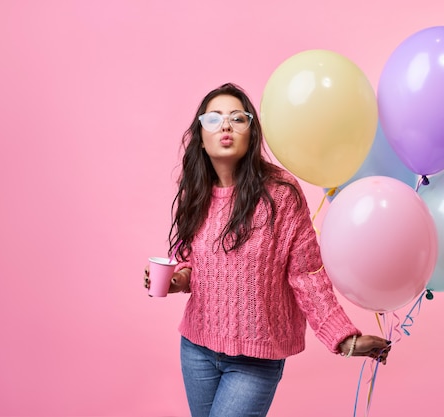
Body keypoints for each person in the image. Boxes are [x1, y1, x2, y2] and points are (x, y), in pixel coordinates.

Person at [144, 82, 391, 417]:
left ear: (252, 132)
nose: (226, 126)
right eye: (213, 119)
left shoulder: (281, 194)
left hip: (256, 359)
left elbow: (307, 275)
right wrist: (177, 279)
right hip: (196, 349)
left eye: (237, 118)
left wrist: (342, 338)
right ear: (201, 135)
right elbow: (192, 263)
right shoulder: (196, 191)